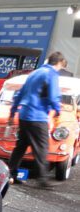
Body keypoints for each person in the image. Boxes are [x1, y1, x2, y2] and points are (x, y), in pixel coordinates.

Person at [8, 51, 68, 188]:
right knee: (41, 148)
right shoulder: (51, 74)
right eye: (61, 67)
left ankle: (11, 174)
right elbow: (53, 96)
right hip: (37, 116)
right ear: (58, 63)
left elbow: (19, 94)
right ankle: (43, 179)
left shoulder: (34, 73)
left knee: (20, 147)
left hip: (24, 115)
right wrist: (58, 110)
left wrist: (12, 113)